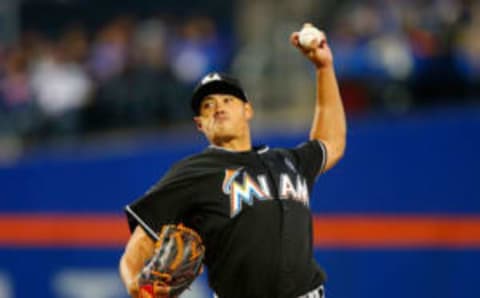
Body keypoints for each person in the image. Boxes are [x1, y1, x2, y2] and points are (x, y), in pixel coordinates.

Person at [119, 23, 346, 298]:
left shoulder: (287, 161)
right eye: (208, 105)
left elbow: (330, 143)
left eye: (228, 99)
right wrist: (135, 283)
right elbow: (143, 237)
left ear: (247, 110)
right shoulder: (194, 172)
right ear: (199, 124)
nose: (218, 107)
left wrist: (324, 69)